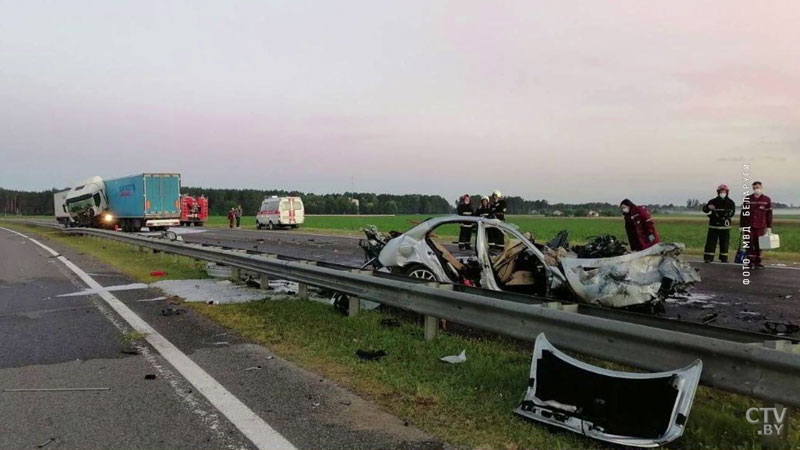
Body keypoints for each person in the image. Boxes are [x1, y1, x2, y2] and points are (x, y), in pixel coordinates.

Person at [740, 181, 773, 268]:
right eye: (754, 188)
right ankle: (750, 262)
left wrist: (769, 226)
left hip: (760, 226)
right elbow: (743, 213)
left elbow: (769, 214)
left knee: (759, 244)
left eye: (757, 187)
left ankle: (758, 261)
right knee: (749, 243)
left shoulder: (766, 200)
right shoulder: (748, 199)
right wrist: (741, 225)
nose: (756, 189)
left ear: (761, 187)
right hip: (749, 226)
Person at [702, 184, 736, 263]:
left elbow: (732, 213)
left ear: (727, 192)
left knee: (724, 242)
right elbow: (705, 210)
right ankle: (708, 258)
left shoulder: (730, 202)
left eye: (724, 191)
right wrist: (708, 207)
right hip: (713, 226)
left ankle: (724, 258)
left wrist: (726, 216)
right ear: (718, 192)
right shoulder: (712, 201)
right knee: (710, 242)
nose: (722, 193)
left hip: (725, 226)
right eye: (721, 191)